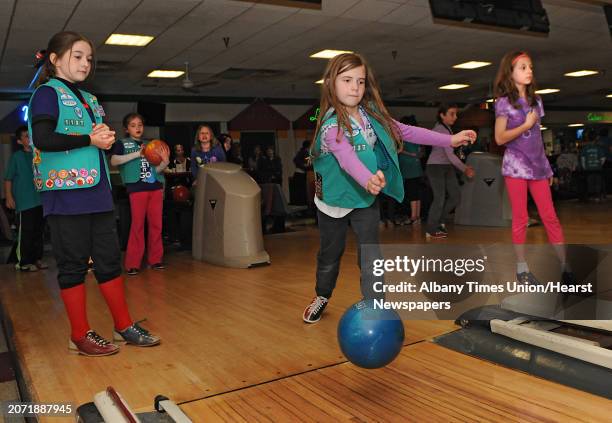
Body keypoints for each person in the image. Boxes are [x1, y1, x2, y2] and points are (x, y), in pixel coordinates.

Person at [302, 53, 475, 323]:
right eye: (347, 80)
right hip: (333, 201)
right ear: (331, 84)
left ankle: (375, 304)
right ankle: (322, 295)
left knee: (371, 254)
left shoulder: (370, 115)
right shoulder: (329, 126)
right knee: (329, 255)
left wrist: (448, 140)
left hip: (364, 197)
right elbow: (346, 158)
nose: (354, 88)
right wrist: (367, 178)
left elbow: (405, 131)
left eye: (360, 81)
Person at [28, 31, 160, 356]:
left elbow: (110, 144)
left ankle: (123, 325)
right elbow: (43, 138)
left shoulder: (90, 99)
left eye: (89, 58)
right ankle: (79, 335)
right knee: (73, 265)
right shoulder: (46, 94)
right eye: (77, 56)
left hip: (99, 193)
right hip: (66, 195)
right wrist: (90, 139)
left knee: (108, 261)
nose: (85, 63)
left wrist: (110, 139)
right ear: (55, 59)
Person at [493, 51, 572, 285]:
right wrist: (525, 124)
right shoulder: (503, 103)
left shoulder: (537, 101)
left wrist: (547, 168)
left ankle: (565, 268)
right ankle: (521, 269)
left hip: (538, 167)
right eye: (523, 67)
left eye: (530, 67)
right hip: (516, 167)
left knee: (551, 217)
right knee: (521, 218)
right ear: (511, 72)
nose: (529, 71)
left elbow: (536, 137)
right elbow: (499, 138)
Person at [110, 113, 169, 276]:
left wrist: (165, 162)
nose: (137, 128)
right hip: (137, 188)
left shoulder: (151, 144)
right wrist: (138, 154)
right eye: (133, 125)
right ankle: (133, 263)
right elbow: (114, 161)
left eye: (140, 125)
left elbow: (155, 170)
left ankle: (156, 259)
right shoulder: (122, 143)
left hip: (155, 186)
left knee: (156, 225)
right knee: (137, 225)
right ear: (126, 129)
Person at [425, 104, 475, 239]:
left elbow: (451, 152)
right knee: (439, 198)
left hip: (446, 167)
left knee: (455, 196)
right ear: (442, 115)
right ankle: (431, 229)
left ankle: (439, 220)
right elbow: (450, 154)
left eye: (456, 113)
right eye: (452, 114)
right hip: (435, 167)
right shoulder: (441, 129)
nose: (455, 117)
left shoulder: (447, 129)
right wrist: (465, 169)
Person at [4, 126, 47, 271]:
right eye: (25, 136)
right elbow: (8, 179)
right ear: (19, 141)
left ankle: (37, 259)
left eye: (30, 135)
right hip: (24, 201)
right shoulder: (16, 157)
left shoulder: (39, 155)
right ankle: (24, 262)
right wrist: (9, 197)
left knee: (39, 231)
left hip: (40, 200)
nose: (29, 138)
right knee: (26, 232)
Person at [397, 116, 423, 225]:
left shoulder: (403, 137)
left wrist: (410, 154)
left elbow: (399, 150)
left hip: (408, 167)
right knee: (416, 192)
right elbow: (420, 151)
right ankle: (417, 216)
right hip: (416, 166)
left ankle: (413, 216)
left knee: (412, 192)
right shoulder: (416, 136)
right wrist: (415, 155)